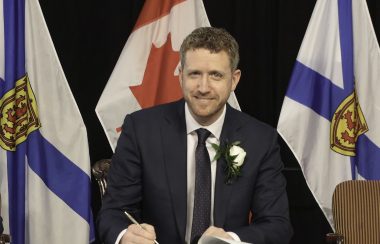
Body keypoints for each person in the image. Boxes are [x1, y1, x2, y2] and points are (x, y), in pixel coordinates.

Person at [97, 27, 293, 244]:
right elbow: (112, 214)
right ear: (181, 76)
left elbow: (277, 225)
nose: (203, 87)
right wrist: (125, 236)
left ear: (234, 80)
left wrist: (231, 240)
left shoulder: (261, 139)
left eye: (216, 75)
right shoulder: (141, 129)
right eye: (194, 74)